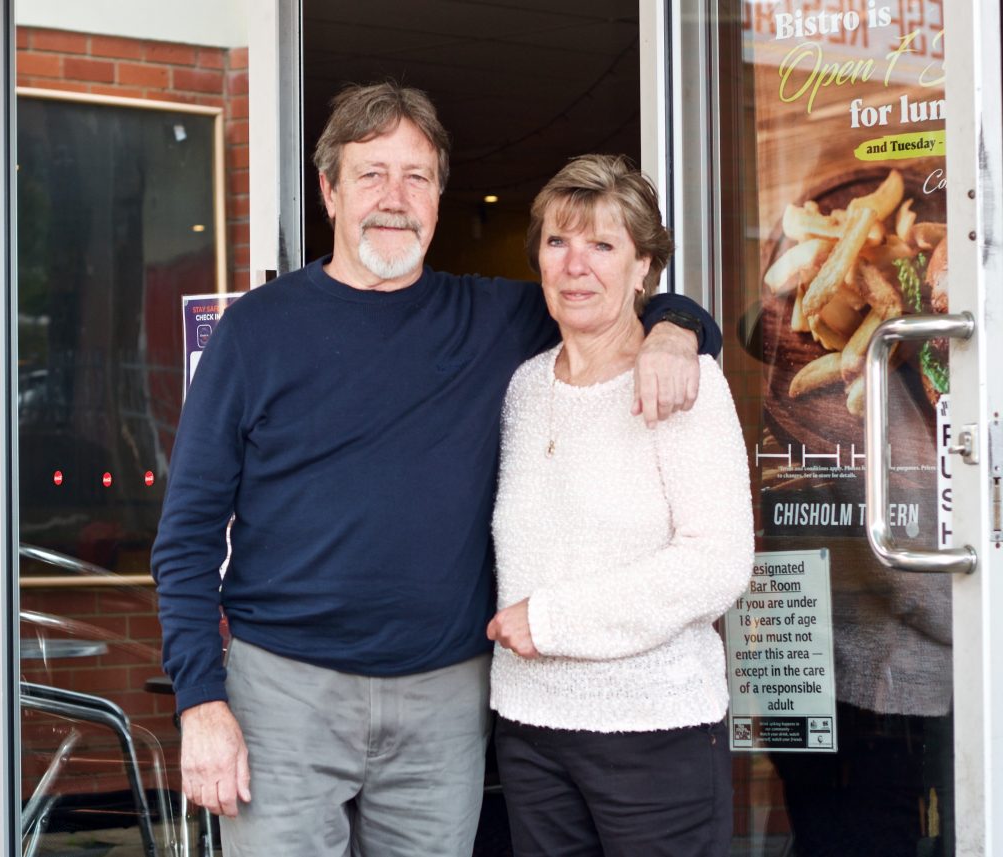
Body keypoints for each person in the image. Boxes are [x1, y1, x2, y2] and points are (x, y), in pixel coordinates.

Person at [151, 83, 721, 856]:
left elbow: (601, 292)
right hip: (283, 694)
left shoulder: (491, 320)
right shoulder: (256, 332)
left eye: (416, 175)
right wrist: (199, 701)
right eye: (371, 173)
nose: (395, 198)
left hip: (443, 699)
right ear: (329, 190)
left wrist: (678, 329)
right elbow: (184, 535)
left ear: (440, 196)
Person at [486, 153, 753, 857]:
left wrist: (553, 618)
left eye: (602, 245)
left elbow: (717, 561)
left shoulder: (683, 383)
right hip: (529, 728)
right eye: (557, 242)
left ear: (644, 269)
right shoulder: (521, 388)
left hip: (654, 732)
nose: (576, 265)